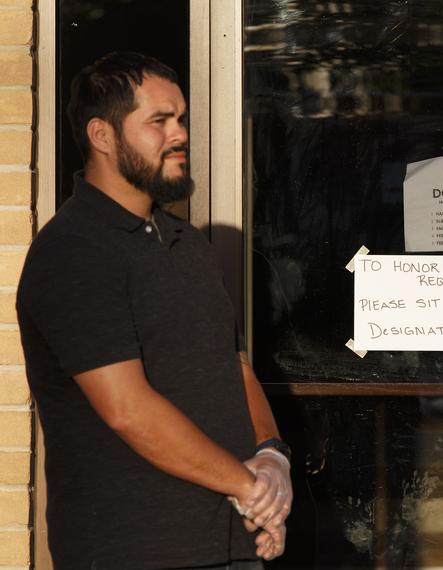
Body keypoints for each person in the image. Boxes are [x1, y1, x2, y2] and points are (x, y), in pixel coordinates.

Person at [16, 52, 292, 570]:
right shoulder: (74, 251)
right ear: (102, 135)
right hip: (131, 549)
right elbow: (127, 408)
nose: (180, 133)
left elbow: (233, 366)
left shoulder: (185, 242)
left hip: (231, 543)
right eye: (159, 121)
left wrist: (274, 457)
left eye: (181, 118)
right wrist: (251, 487)